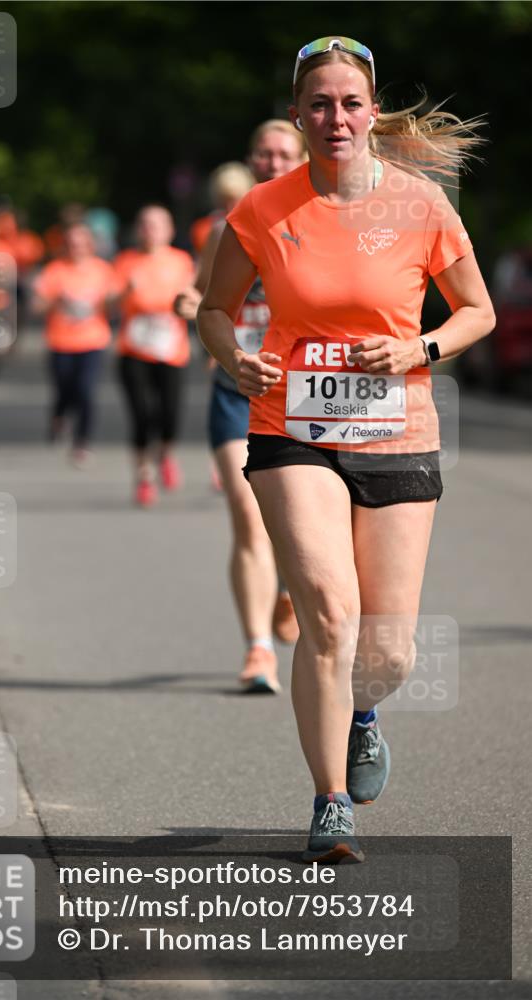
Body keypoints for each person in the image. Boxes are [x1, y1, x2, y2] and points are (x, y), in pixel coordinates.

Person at [198, 37, 495, 862]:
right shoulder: (261, 209)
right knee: (330, 615)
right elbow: (214, 311)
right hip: (289, 427)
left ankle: (363, 714)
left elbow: (477, 312)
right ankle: (330, 801)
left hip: (397, 430)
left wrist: (419, 350)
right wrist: (233, 355)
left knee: (388, 649)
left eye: (349, 103)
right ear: (297, 114)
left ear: (371, 112)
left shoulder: (420, 205)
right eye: (319, 104)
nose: (335, 117)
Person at [177, 123, 306, 694]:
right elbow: (207, 298)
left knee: (295, 524)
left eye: (284, 152)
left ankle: (286, 589)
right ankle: (258, 649)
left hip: (303, 395)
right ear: (251, 160)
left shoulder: (322, 223)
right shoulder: (225, 228)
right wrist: (192, 305)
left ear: (300, 157)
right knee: (248, 515)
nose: (272, 160)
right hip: (237, 391)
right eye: (263, 151)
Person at [114, 205, 194, 506]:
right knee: (141, 415)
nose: (150, 230)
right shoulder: (126, 261)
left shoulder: (181, 261)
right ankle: (144, 476)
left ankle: (165, 454)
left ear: (169, 230)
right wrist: (125, 291)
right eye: (145, 224)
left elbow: (193, 300)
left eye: (157, 225)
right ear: (138, 230)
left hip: (170, 349)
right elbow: (110, 305)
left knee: (170, 415)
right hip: (133, 348)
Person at [33, 223, 120, 467]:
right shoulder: (55, 270)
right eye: (71, 243)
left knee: (85, 391)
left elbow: (113, 305)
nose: (76, 248)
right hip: (60, 342)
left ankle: (82, 442)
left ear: (90, 245)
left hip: (93, 340)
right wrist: (55, 302)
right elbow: (36, 307)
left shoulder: (102, 270)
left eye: (81, 243)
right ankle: (59, 416)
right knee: (64, 390)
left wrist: (116, 300)